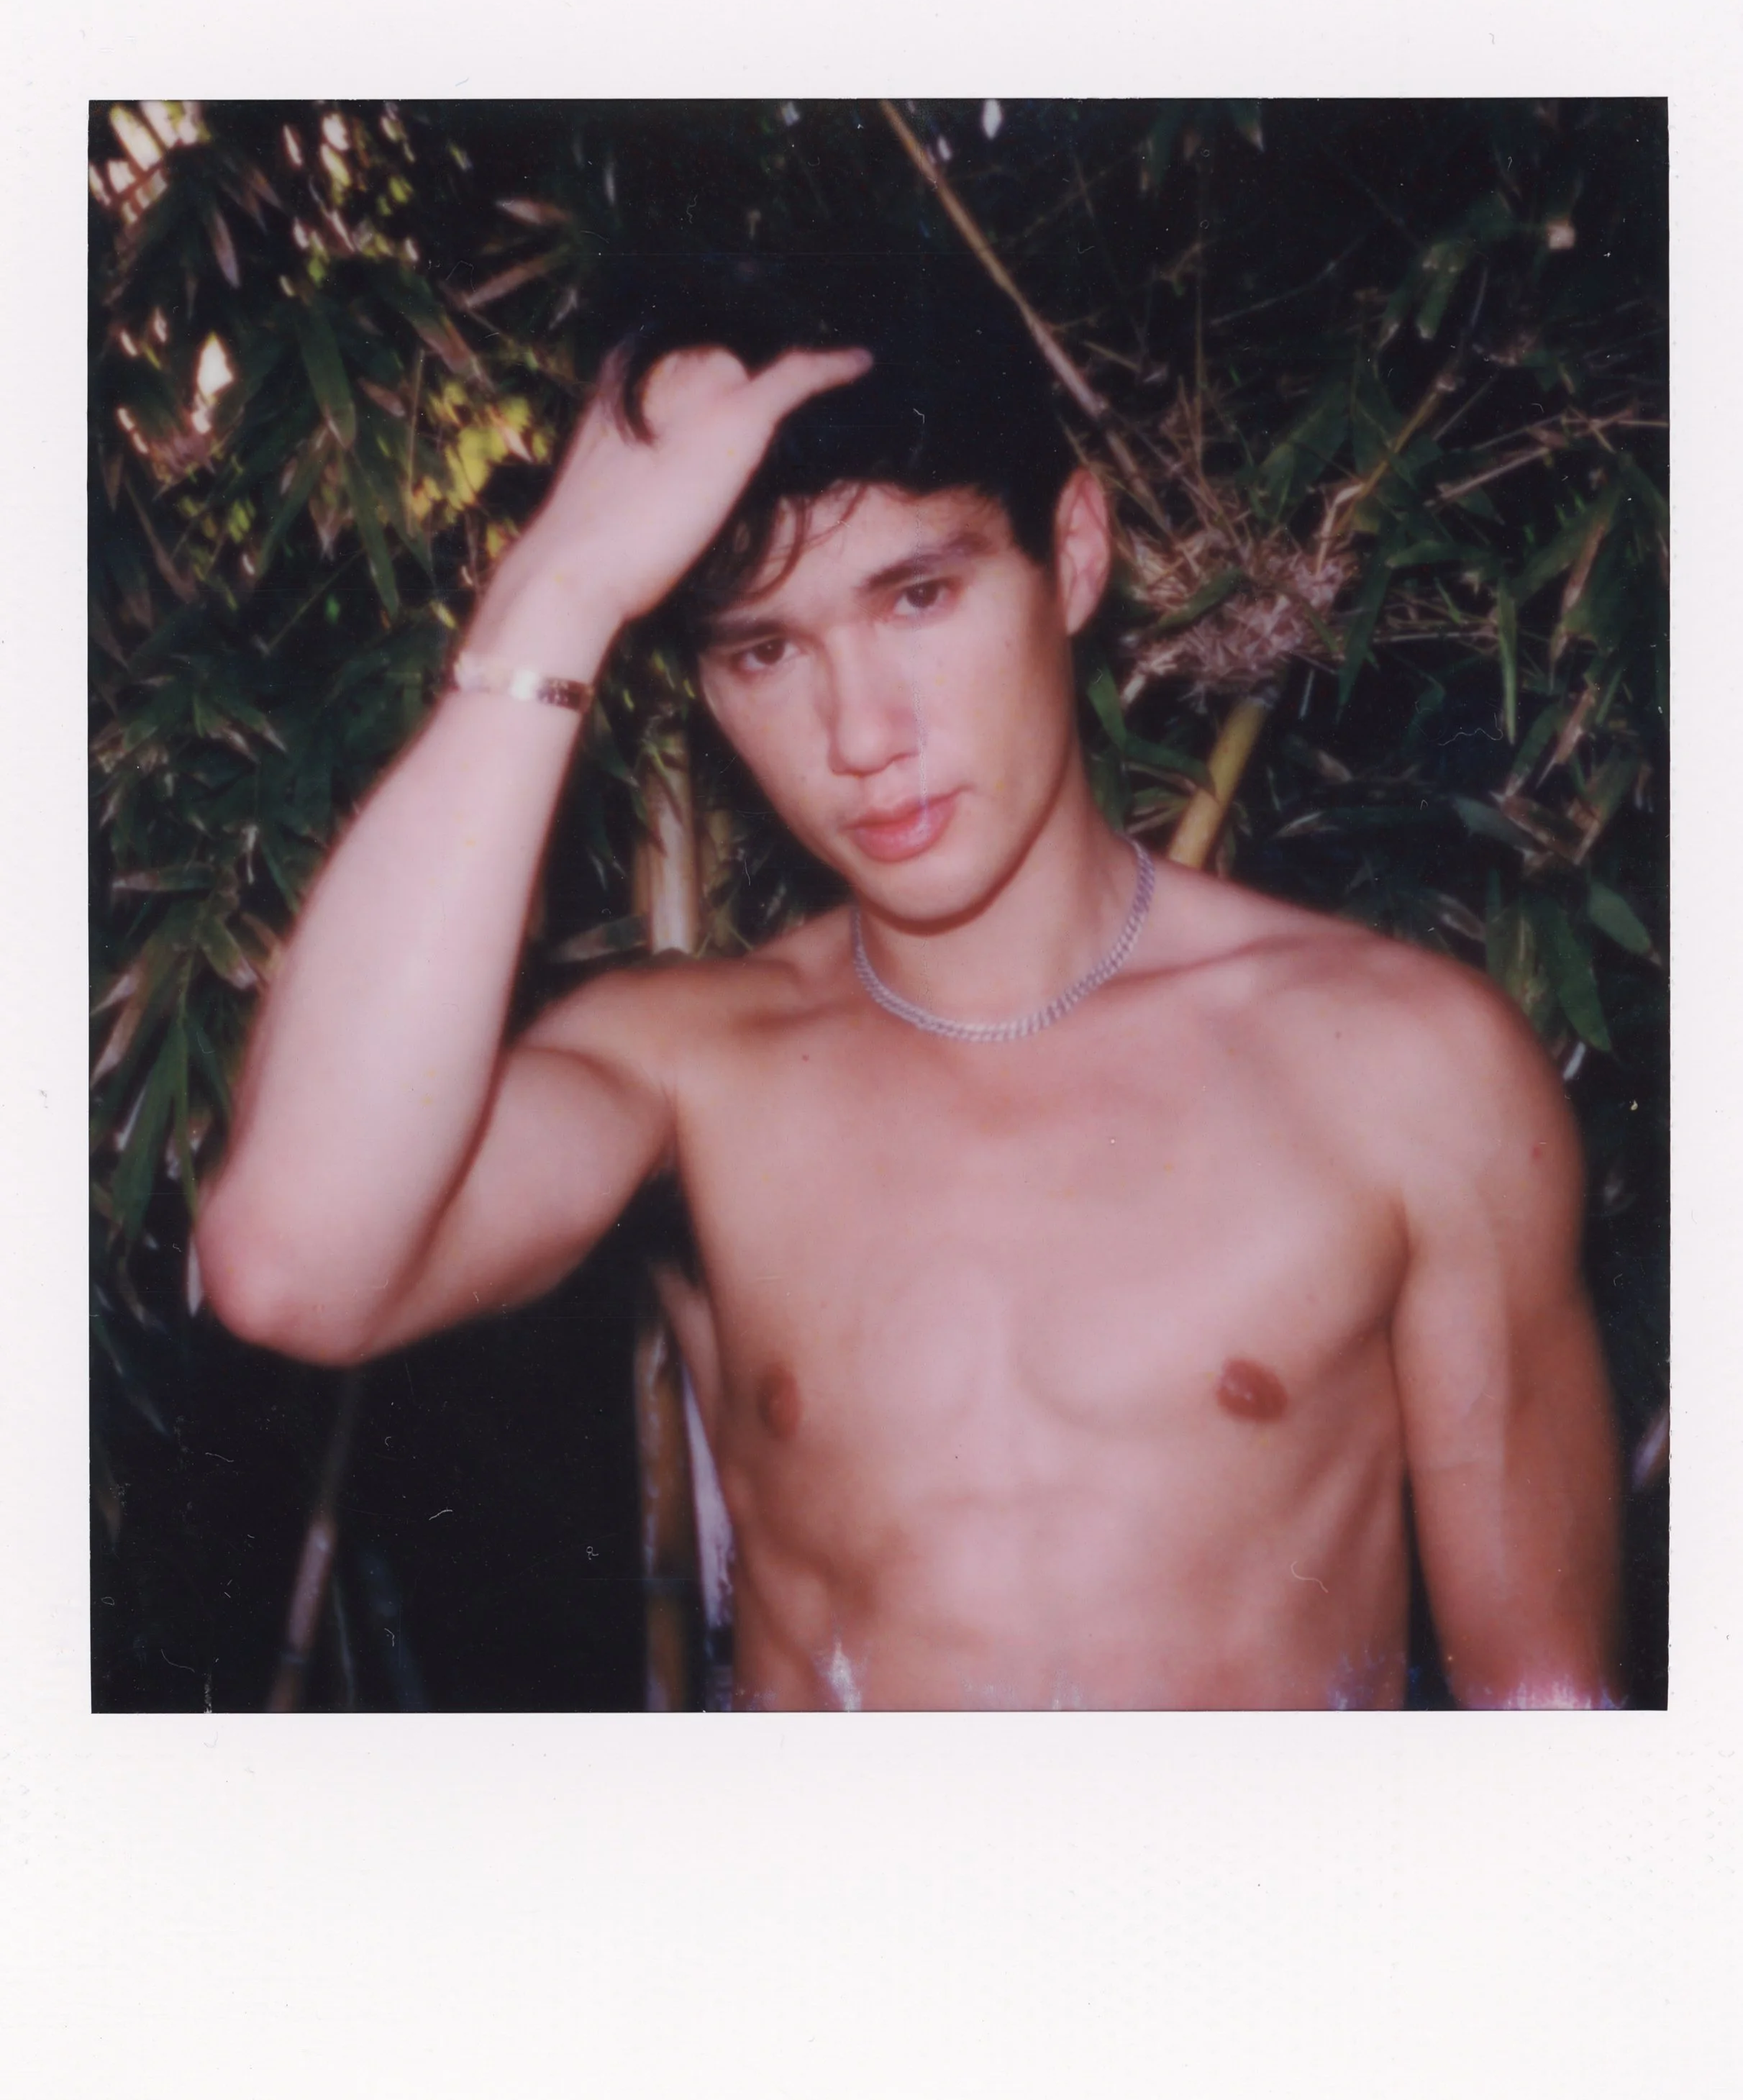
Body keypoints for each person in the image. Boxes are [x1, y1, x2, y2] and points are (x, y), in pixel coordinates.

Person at [196, 258, 1623, 1710]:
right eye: (763, 650)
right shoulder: (695, 1073)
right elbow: (294, 1265)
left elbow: (1544, 1715)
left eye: (919, 596)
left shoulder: (1401, 1069)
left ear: (1070, 556)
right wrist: (557, 593)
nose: (859, 731)